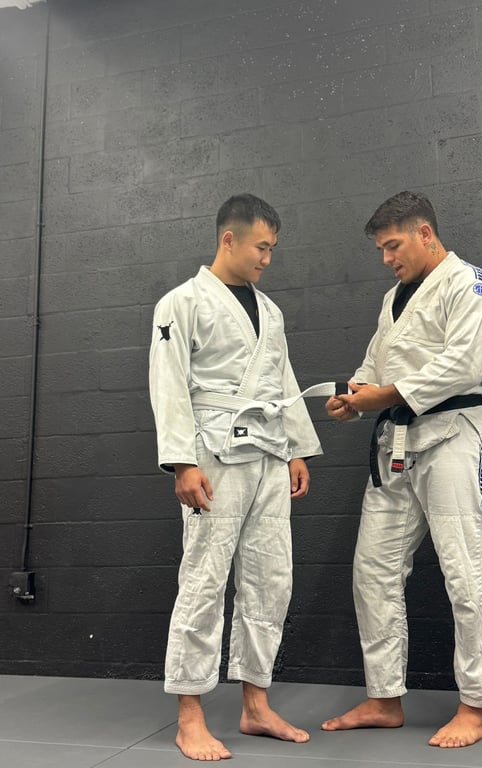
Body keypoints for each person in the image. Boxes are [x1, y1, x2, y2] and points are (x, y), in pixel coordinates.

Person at [323, 190, 482, 748]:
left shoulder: (473, 284)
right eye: (381, 249)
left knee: (465, 571)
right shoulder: (394, 298)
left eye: (393, 246)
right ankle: (384, 698)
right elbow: (377, 361)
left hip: (453, 438)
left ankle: (476, 706)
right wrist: (355, 394)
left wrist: (382, 396)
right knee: (372, 571)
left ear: (425, 233)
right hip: (397, 445)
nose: (386, 258)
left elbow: (463, 365)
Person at [149, 193, 322, 761]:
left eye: (272, 249)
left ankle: (255, 704)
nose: (267, 259)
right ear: (230, 239)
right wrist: (181, 461)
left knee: (271, 580)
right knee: (205, 578)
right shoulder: (182, 302)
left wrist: (297, 448)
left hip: (270, 451)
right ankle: (189, 714)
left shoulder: (269, 310)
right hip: (214, 453)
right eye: (261, 247)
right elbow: (169, 383)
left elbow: (282, 378)